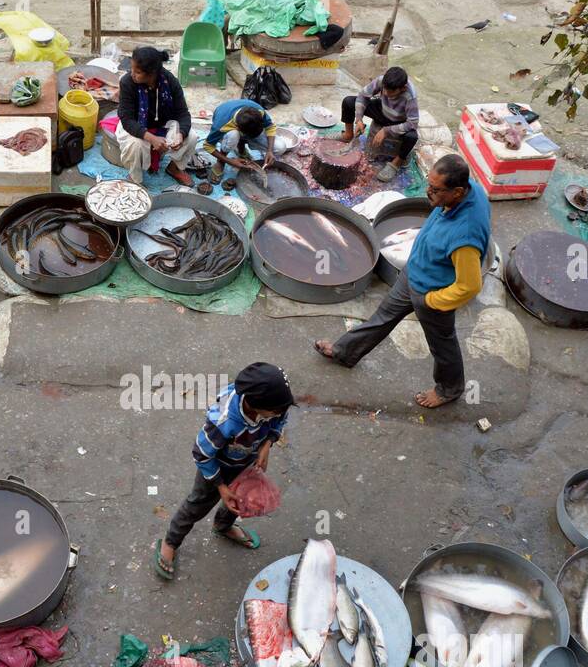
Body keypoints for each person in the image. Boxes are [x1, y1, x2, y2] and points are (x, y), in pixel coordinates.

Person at [315, 154, 490, 409]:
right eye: (429, 184)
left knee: (442, 345)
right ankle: (345, 352)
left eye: (436, 189)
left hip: (432, 293)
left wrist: (433, 301)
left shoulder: (465, 236)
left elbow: (470, 286)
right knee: (382, 317)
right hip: (413, 272)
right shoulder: (469, 192)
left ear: (458, 191)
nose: (428, 192)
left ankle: (449, 389)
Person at [155, 362, 293, 580]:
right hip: (215, 470)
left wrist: (268, 442)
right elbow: (201, 454)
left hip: (245, 463)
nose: (280, 412)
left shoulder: (275, 407)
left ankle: (223, 525)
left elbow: (280, 419)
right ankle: (170, 541)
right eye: (276, 410)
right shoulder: (224, 421)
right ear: (255, 406)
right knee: (197, 505)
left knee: (238, 501)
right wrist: (220, 486)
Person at [115, 46, 197, 186]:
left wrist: (181, 134)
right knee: (135, 145)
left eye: (138, 72)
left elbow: (182, 113)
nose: (132, 74)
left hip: (162, 125)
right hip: (136, 126)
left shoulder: (170, 81)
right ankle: (135, 179)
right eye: (132, 68)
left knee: (192, 136)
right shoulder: (127, 82)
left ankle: (174, 168)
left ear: (152, 73)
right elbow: (127, 119)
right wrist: (151, 138)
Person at [339, 66, 419, 181]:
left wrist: (387, 130)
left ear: (403, 88)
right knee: (348, 101)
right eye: (385, 89)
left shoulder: (410, 95)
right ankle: (348, 135)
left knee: (412, 136)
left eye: (391, 92)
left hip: (399, 120)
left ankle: (396, 163)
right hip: (381, 111)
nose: (386, 93)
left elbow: (413, 123)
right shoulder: (382, 81)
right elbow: (363, 96)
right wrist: (359, 118)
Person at [202, 98, 276, 184]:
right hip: (227, 123)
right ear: (237, 127)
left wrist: (270, 150)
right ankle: (221, 161)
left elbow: (270, 127)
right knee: (233, 135)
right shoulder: (221, 124)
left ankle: (241, 149)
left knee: (279, 147)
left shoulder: (259, 112)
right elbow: (207, 146)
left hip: (246, 129)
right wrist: (230, 161)